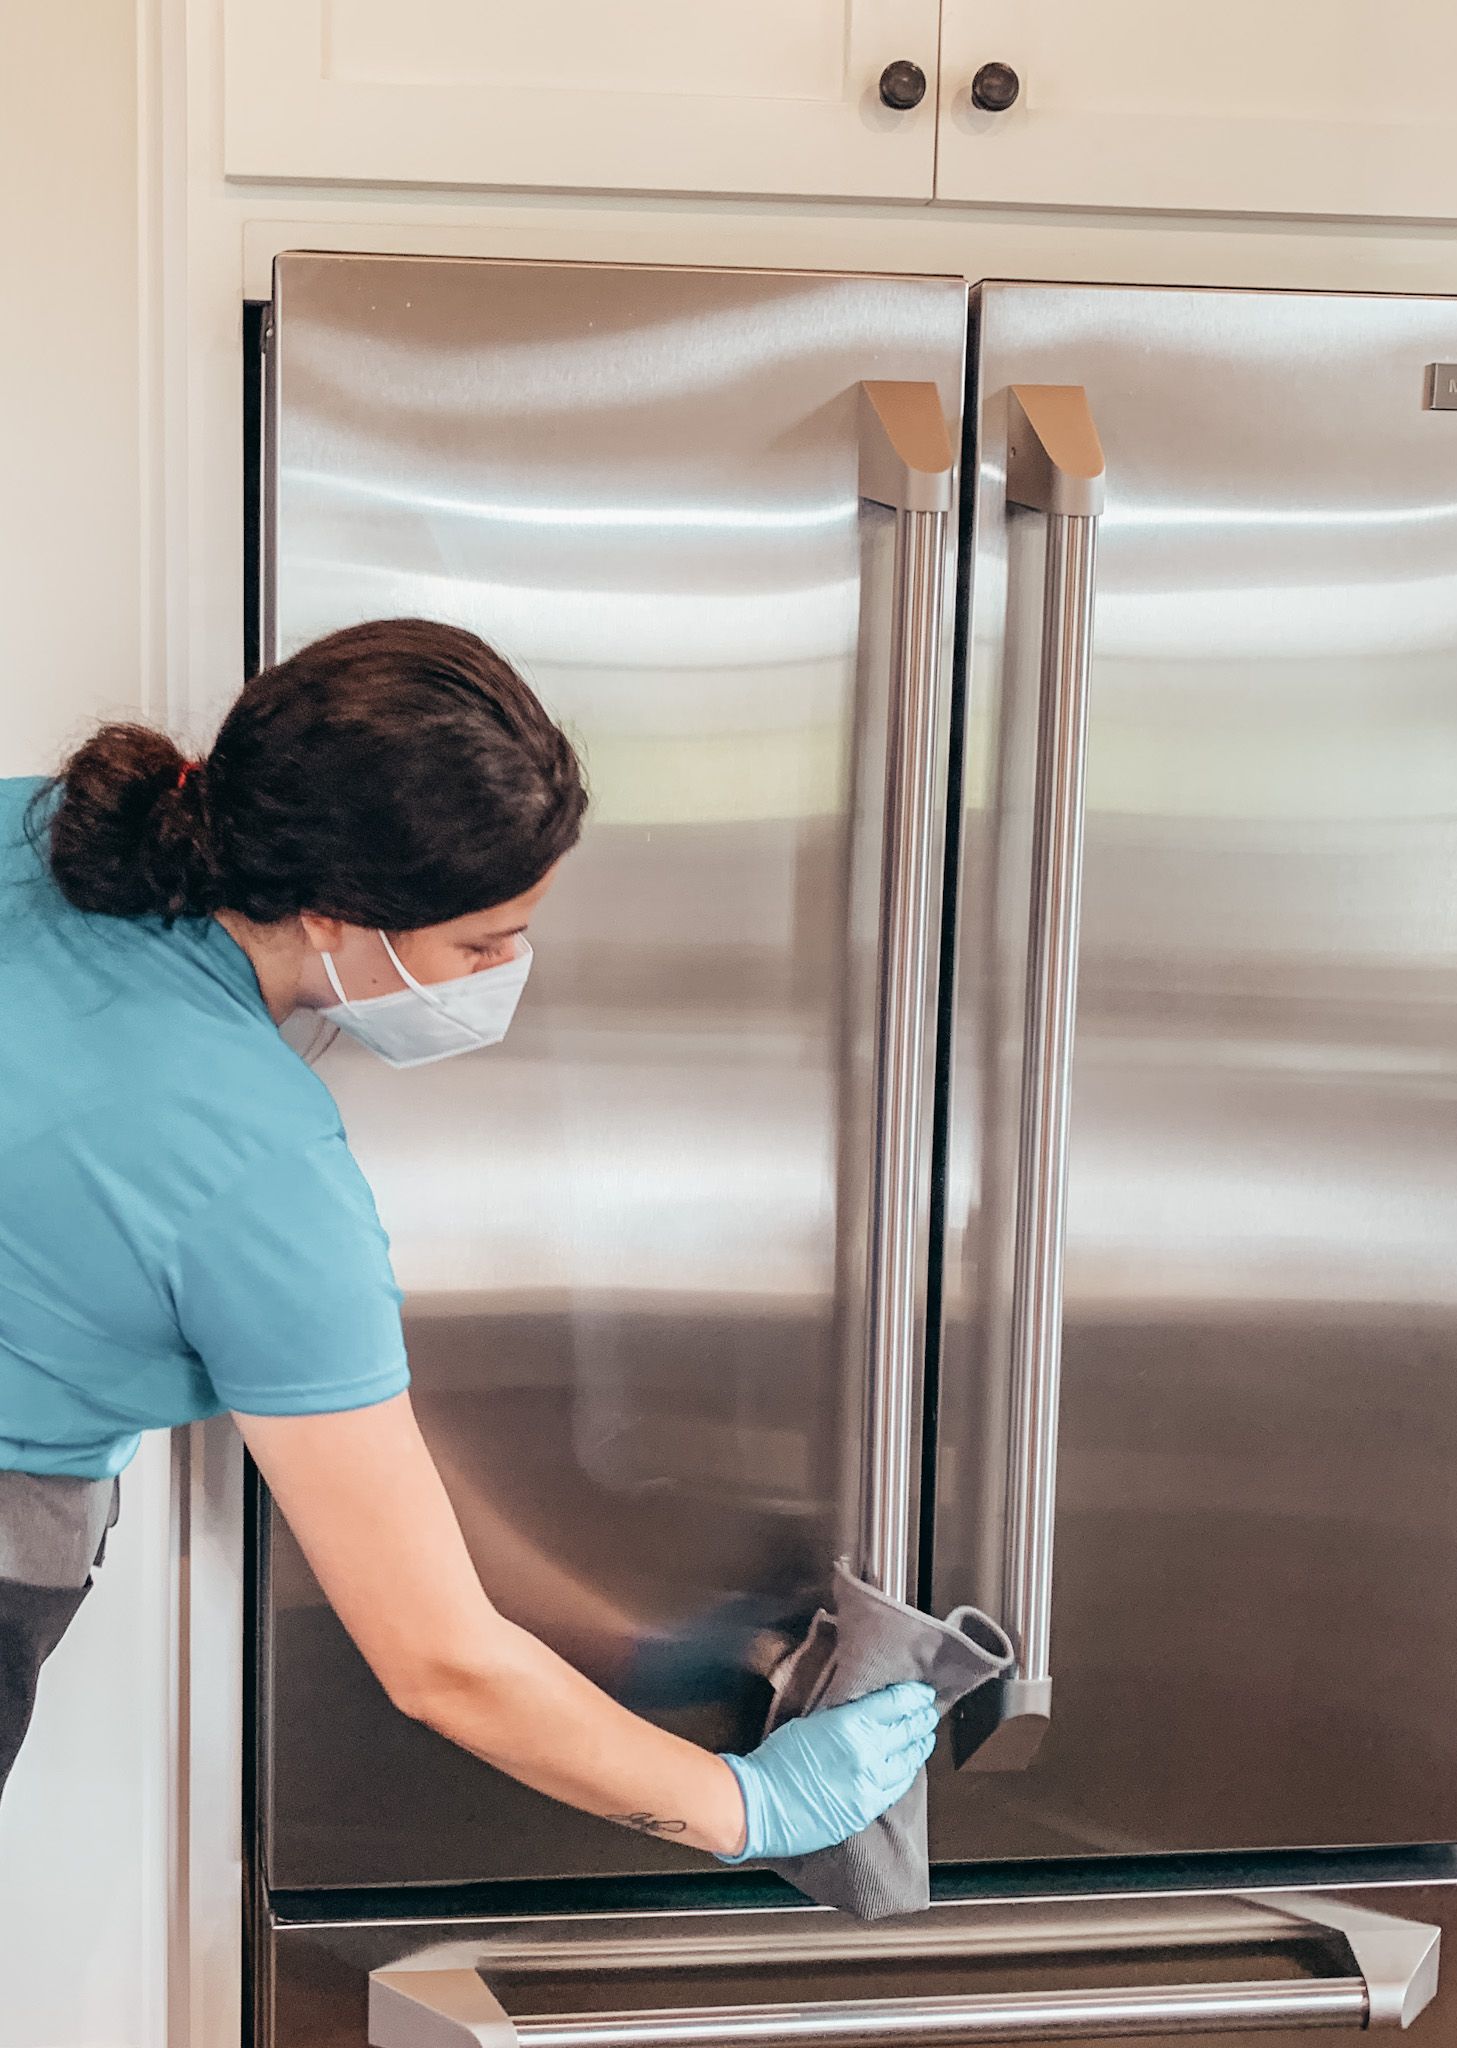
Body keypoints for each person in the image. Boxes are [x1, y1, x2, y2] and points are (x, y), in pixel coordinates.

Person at [0, 617, 936, 1863]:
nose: (510, 969)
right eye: (481, 944)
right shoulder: (261, 1173)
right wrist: (748, 1805)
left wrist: (616, 1643)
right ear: (336, 913)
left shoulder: (42, 826)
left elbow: (346, 1441)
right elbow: (439, 1661)